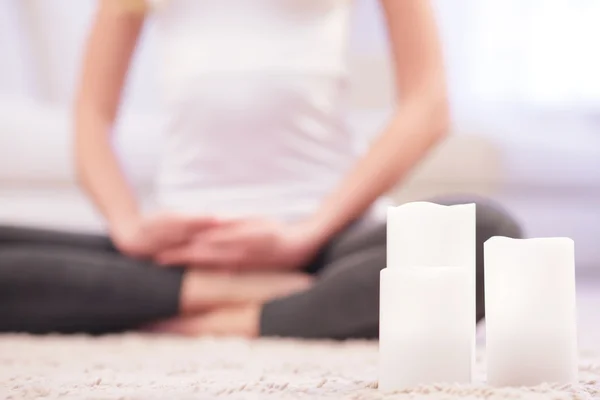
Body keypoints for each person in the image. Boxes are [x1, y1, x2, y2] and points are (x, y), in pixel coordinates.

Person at [0, 0, 522, 338]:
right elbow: (91, 117)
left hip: (326, 245)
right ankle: (213, 295)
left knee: (488, 234)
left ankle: (226, 321)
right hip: (188, 252)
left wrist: (307, 231)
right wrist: (129, 228)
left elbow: (428, 106)